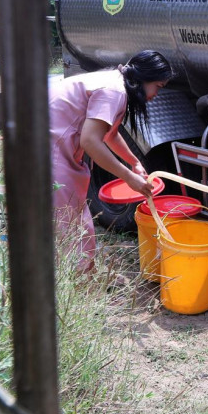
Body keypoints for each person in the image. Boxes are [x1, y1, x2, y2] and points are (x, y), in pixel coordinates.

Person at [49, 50, 170, 268]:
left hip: (56, 150)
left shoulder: (115, 82)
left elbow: (109, 135)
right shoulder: (114, 91)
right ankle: (72, 290)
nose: (155, 95)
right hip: (50, 154)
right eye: (158, 87)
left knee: (80, 227)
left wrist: (134, 163)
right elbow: (90, 141)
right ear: (144, 78)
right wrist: (128, 177)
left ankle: (83, 283)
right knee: (64, 233)